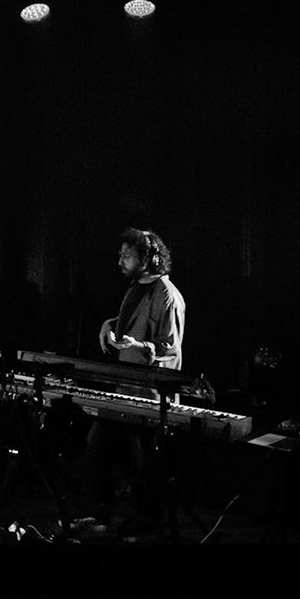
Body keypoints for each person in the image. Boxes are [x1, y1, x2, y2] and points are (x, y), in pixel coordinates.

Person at [80, 227, 186, 532]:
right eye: (121, 253)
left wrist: (139, 347)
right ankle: (98, 513)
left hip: (151, 397)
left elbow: (171, 348)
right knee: (97, 447)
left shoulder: (168, 295)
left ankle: (144, 525)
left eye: (128, 254)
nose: (121, 260)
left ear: (149, 257)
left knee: (144, 465)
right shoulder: (134, 288)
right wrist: (107, 324)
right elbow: (129, 324)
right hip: (124, 388)